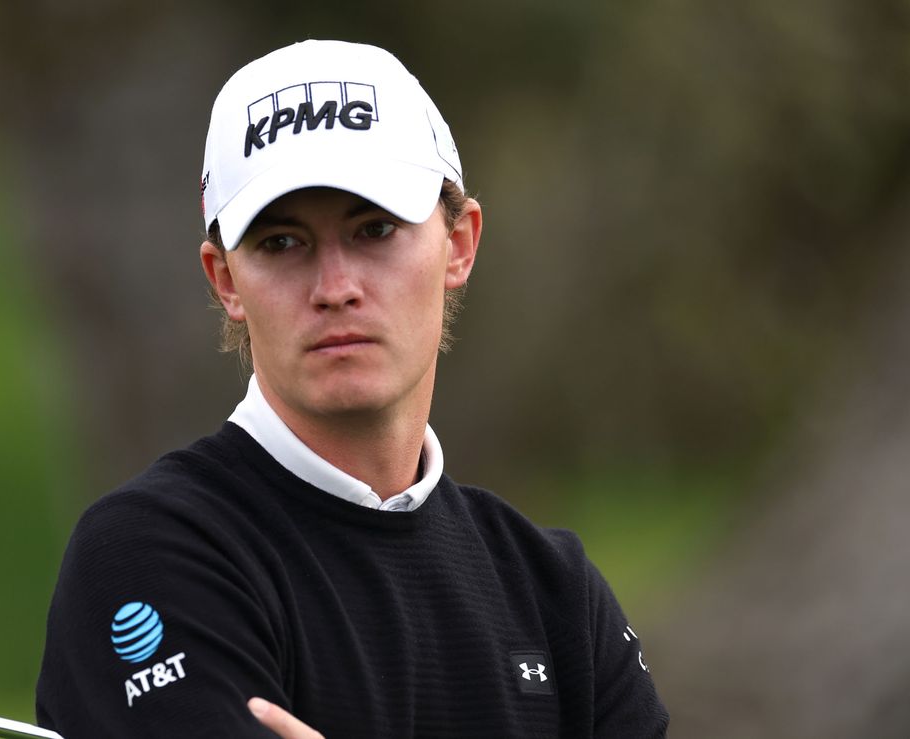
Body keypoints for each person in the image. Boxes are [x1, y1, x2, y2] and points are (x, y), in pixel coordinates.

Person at [35, 39, 669, 738]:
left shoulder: (557, 595)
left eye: (375, 230)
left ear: (459, 243)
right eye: (282, 243)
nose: (335, 288)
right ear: (224, 280)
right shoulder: (148, 553)